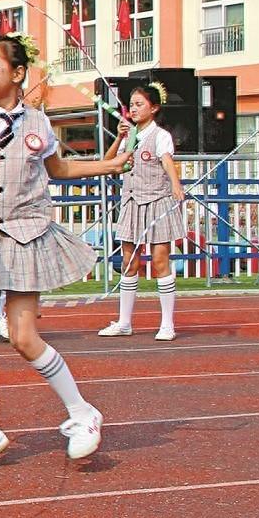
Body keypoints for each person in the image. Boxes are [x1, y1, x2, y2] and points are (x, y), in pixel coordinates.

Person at [0, 34, 132, 471]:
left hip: (27, 231)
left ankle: (82, 413)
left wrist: (108, 165)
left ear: (18, 73)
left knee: (22, 336)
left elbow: (58, 169)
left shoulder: (39, 122)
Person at [101, 79, 185, 341]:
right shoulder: (130, 135)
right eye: (131, 105)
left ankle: (167, 323)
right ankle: (125, 321)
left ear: (154, 108)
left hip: (157, 202)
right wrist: (121, 137)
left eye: (139, 105)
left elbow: (167, 162)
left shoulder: (160, 136)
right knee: (129, 261)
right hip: (131, 202)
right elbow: (108, 163)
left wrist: (176, 186)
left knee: (161, 261)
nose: (134, 110)